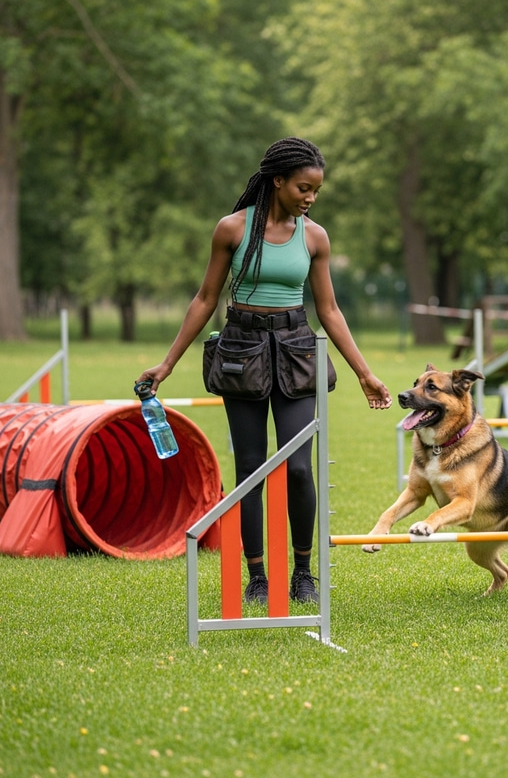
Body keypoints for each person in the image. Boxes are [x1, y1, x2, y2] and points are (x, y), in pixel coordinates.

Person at [137, 137, 392, 605]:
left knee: (298, 468)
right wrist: (167, 364)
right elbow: (205, 299)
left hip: (296, 351)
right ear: (278, 181)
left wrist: (364, 372)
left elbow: (329, 311)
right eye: (303, 188)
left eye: (316, 190)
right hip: (242, 351)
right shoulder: (232, 230)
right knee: (251, 469)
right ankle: (257, 576)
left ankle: (302, 573)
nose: (310, 198)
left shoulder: (314, 237)